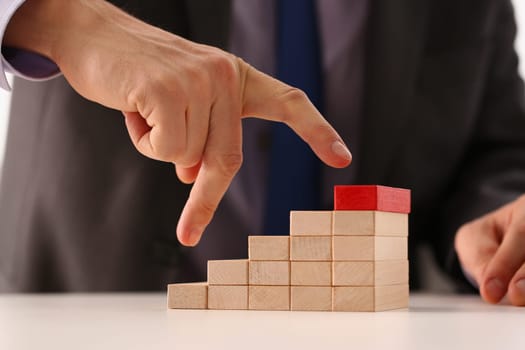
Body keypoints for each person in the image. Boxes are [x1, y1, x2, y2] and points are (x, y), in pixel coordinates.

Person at [0, 0, 524, 307]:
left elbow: (493, 149)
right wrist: (52, 15)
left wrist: (498, 225)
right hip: (84, 304)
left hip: (358, 317)